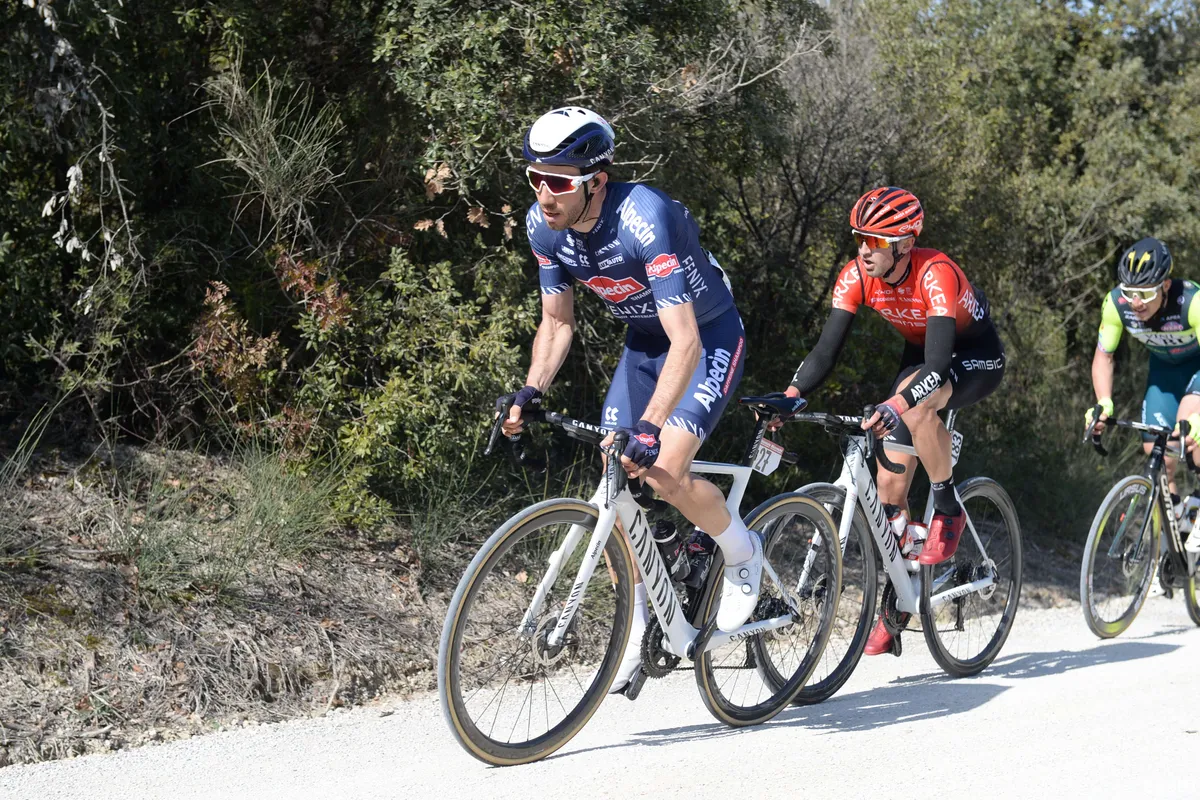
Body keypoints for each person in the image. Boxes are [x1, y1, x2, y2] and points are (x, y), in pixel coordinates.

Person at [499, 107, 755, 692]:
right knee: (616, 473)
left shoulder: (645, 217)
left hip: (707, 336)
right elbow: (556, 324)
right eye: (535, 177)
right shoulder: (545, 229)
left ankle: (743, 555)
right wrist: (531, 390)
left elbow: (686, 340)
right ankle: (647, 627)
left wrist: (653, 424)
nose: (544, 193)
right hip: (645, 343)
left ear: (596, 181)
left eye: (558, 181)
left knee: (663, 465)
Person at [782, 186, 1005, 655]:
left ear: (905, 244)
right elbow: (825, 352)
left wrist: (896, 405)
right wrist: (792, 395)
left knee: (919, 404)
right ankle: (900, 598)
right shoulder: (856, 275)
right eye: (860, 238)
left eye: (876, 242)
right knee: (888, 488)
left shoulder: (936, 273)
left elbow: (940, 365)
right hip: (923, 355)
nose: (865, 250)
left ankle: (947, 507)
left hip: (971, 356)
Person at [1085, 237, 1200, 554]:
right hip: (1164, 373)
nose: (1136, 302)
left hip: (1197, 369)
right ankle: (1174, 537)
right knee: (1159, 456)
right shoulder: (1115, 304)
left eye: (1146, 293)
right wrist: (1104, 401)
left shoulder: (1191, 302)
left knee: (1190, 435)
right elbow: (1104, 356)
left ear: (1165, 284)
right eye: (1129, 292)